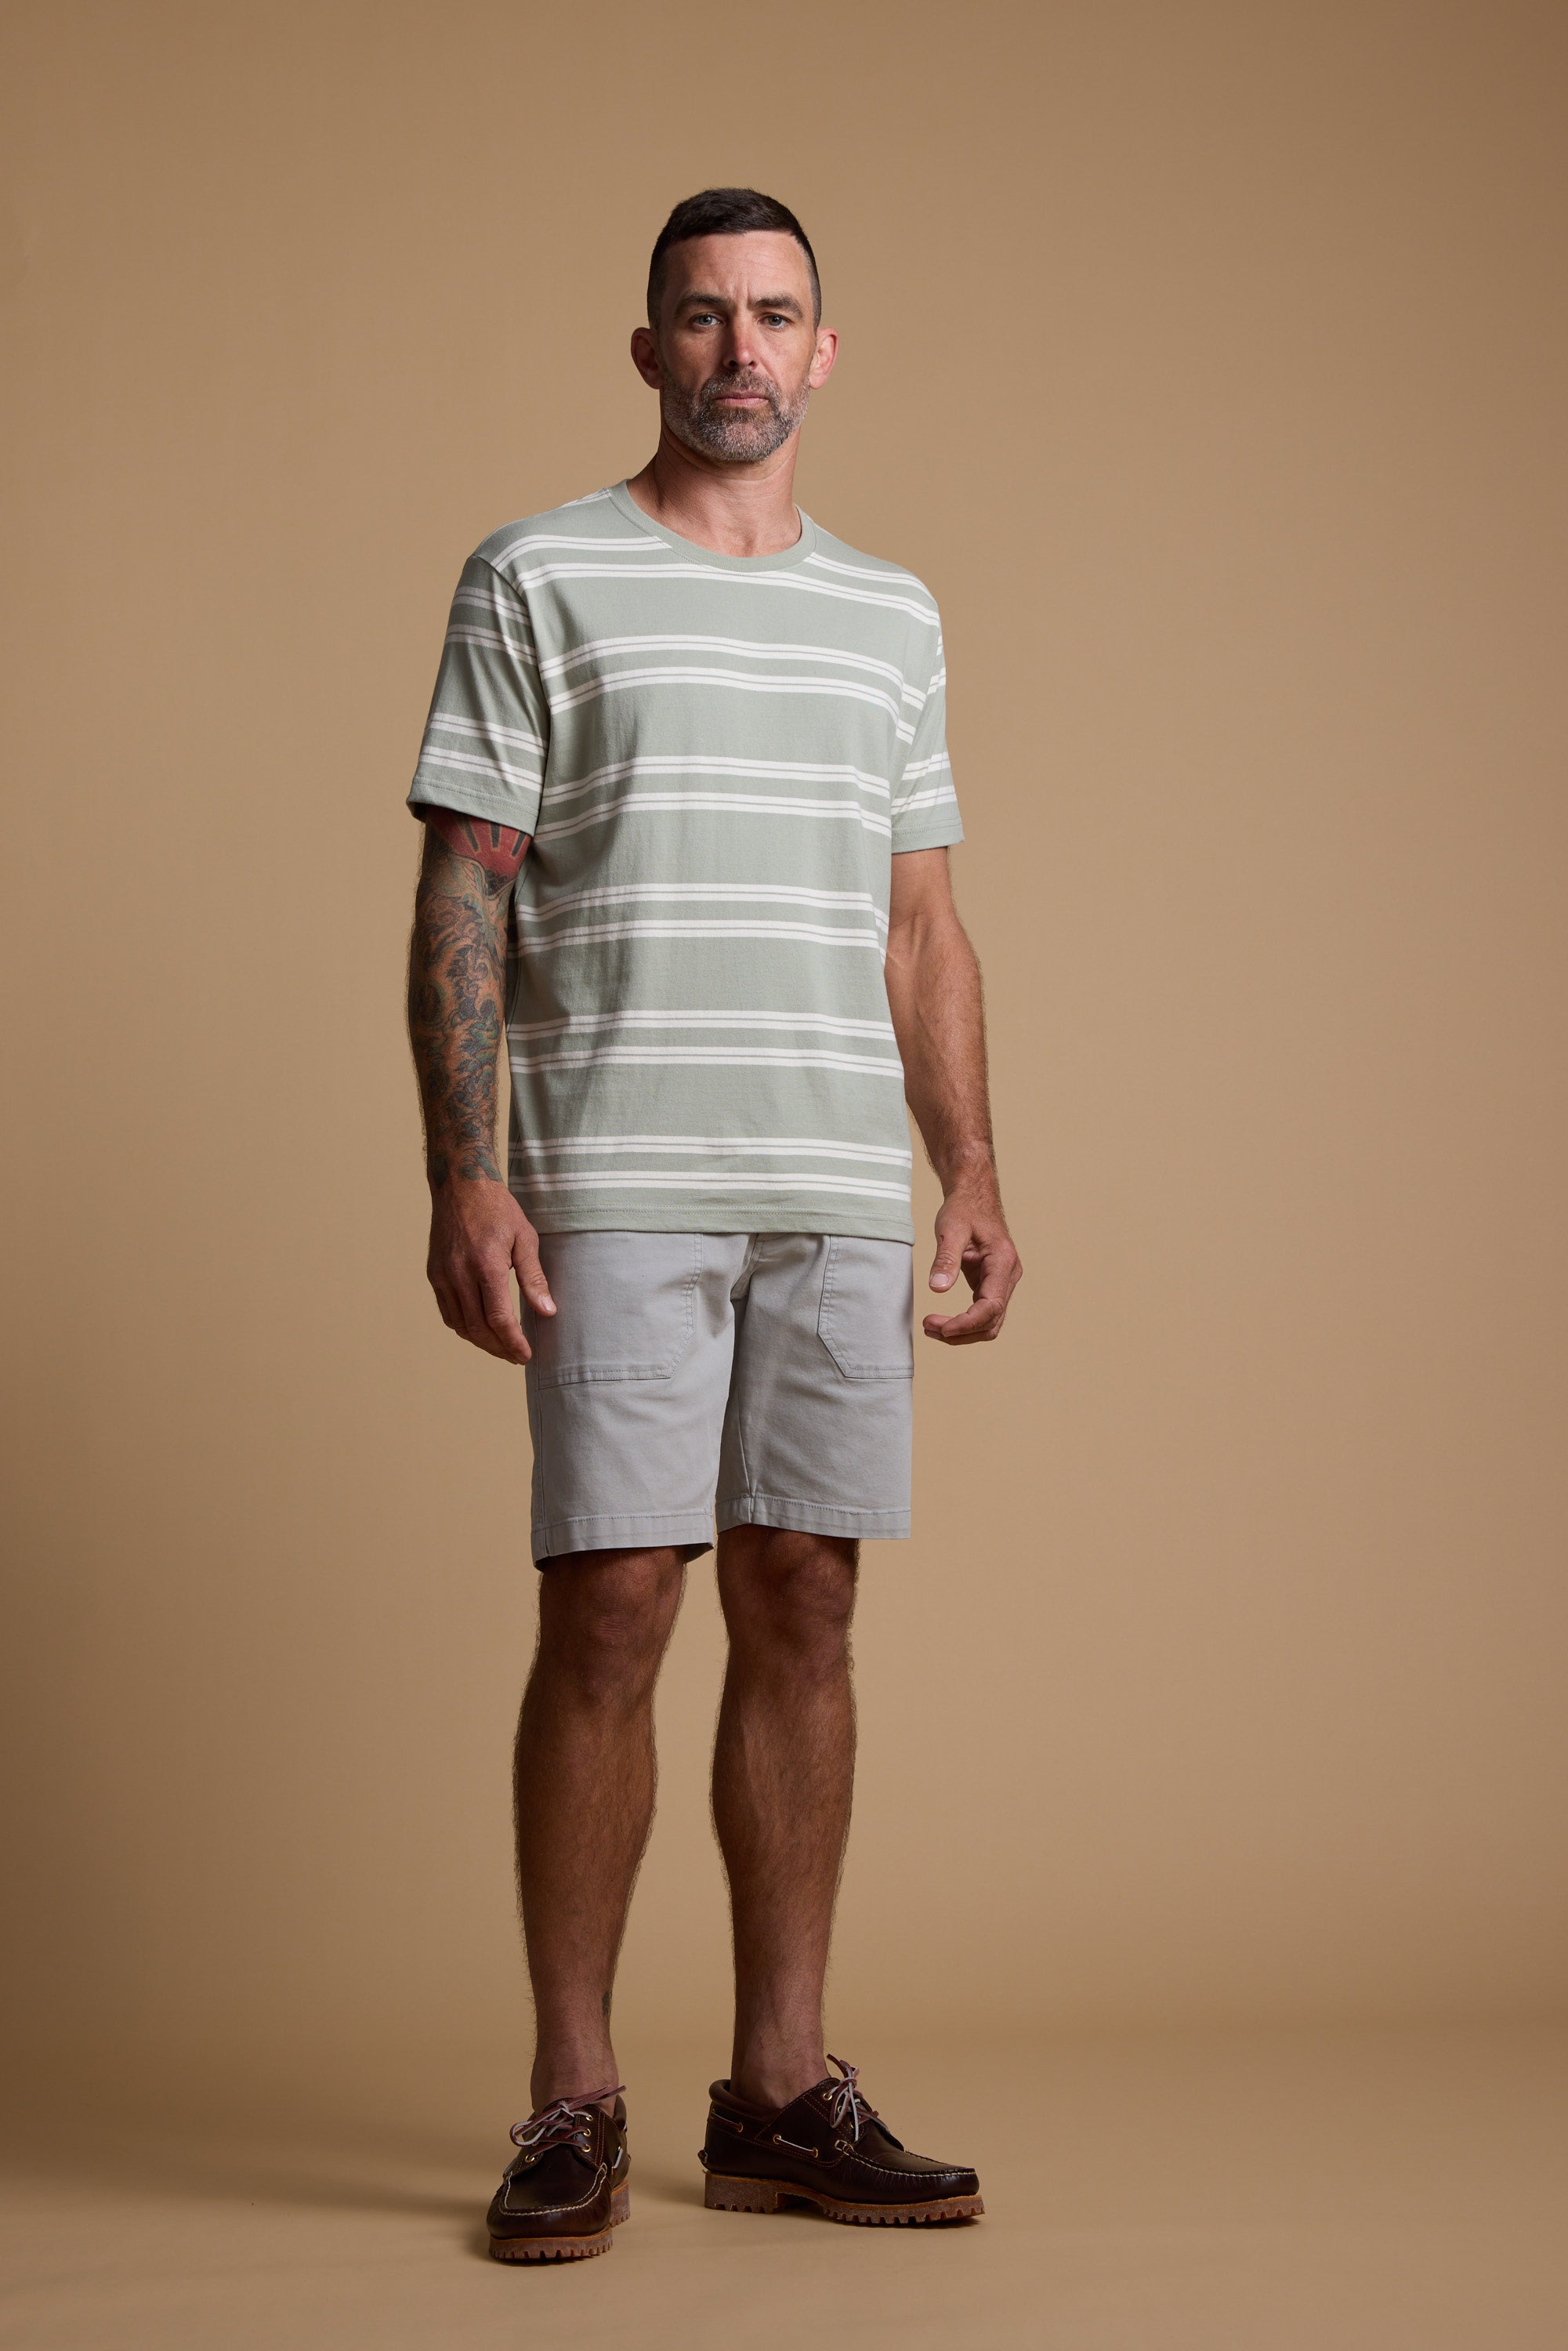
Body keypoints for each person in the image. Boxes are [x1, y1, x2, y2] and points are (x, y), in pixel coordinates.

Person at [404, 187, 1021, 2263]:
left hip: (835, 1184)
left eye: (775, 316)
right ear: (649, 349)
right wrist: (463, 1165)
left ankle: (776, 2091)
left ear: (822, 351)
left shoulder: (892, 612)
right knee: (612, 1610)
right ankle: (568, 2098)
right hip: (616, 1174)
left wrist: (972, 1165)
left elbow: (918, 918)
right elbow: (468, 883)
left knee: (809, 1606)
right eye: (702, 317)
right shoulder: (540, 573)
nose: (742, 350)